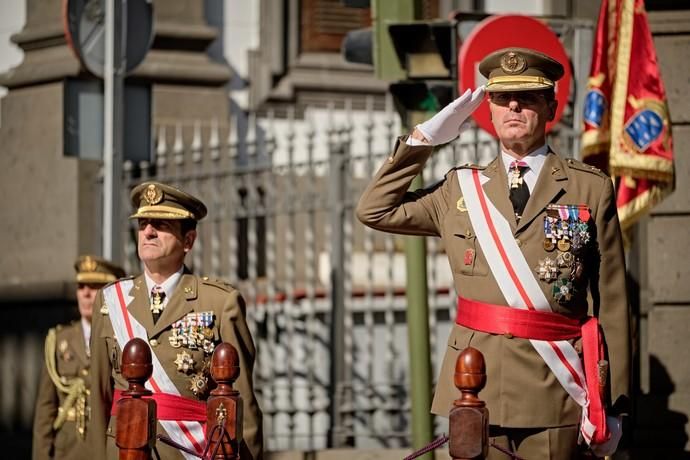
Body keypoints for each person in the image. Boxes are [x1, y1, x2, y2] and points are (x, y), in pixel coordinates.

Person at [356, 47, 630, 459]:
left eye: (528, 96)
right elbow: (374, 209)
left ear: (551, 107)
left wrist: (614, 403)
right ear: (489, 110)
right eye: (501, 98)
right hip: (473, 382)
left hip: (553, 386)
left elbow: (611, 301)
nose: (513, 105)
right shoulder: (459, 189)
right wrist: (424, 139)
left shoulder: (588, 187)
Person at [89, 181, 263, 459]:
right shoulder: (110, 301)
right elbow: (97, 398)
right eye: (143, 223)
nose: (148, 231)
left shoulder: (219, 303)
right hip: (124, 450)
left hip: (187, 451)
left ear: (188, 241)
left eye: (161, 225)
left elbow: (242, 403)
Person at [32, 255, 126, 460]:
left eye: (94, 286)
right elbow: (45, 409)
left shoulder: (123, 337)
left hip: (108, 444)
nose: (85, 293)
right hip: (68, 449)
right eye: (81, 286)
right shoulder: (58, 340)